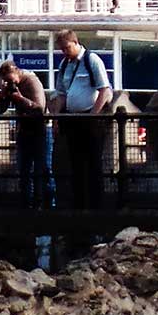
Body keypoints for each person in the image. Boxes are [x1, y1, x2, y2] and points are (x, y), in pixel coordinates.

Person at [49, 27, 111, 207]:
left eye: (67, 48)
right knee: (75, 165)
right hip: (72, 120)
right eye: (62, 49)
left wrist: (93, 116)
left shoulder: (92, 60)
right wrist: (56, 118)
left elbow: (104, 90)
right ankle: (80, 206)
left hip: (90, 119)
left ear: (76, 43)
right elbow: (61, 93)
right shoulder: (64, 65)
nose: (65, 52)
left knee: (93, 165)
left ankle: (96, 207)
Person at [0, 57, 54, 209]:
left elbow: (38, 109)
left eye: (10, 79)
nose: (10, 83)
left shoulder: (31, 81)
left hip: (41, 130)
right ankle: (26, 204)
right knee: (24, 169)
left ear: (16, 71)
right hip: (24, 130)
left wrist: (19, 98)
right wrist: (2, 96)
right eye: (6, 81)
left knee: (43, 168)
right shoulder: (10, 87)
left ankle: (48, 204)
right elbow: (0, 110)